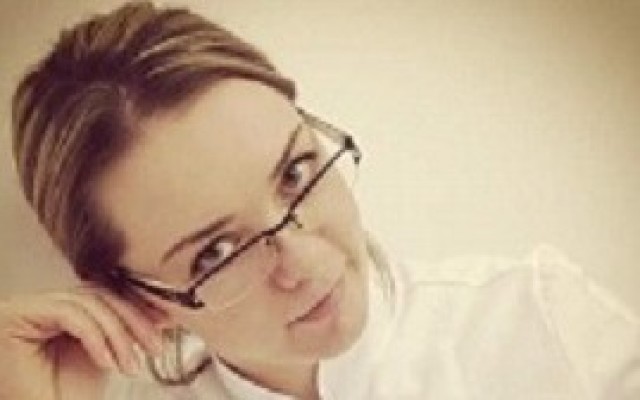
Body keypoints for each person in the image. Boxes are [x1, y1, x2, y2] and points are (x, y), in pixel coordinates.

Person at [1, 2, 638, 399]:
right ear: (137, 297)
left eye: (295, 172)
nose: (304, 262)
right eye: (216, 252)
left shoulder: (539, 322)